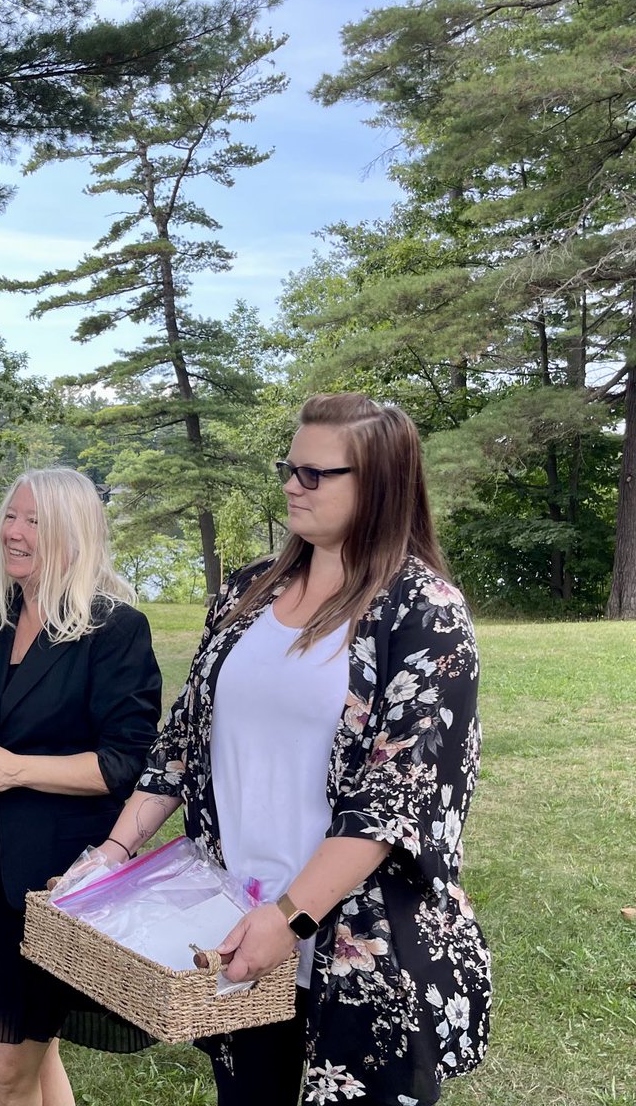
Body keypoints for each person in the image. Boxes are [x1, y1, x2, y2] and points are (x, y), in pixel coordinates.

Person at [96, 393, 491, 1106]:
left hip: (360, 941)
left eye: (314, 474)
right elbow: (182, 741)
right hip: (233, 926)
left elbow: (395, 802)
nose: (290, 486)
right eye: (289, 468)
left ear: (379, 484)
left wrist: (290, 918)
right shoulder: (249, 591)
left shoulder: (424, 611)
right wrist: (114, 854)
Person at [0, 468, 163, 1106]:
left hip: (52, 877)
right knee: (28, 1049)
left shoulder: (116, 630)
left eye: (34, 522)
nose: (13, 532)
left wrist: (15, 768)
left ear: (73, 534)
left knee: (4, 1069)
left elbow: (124, 763)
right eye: (10, 517)